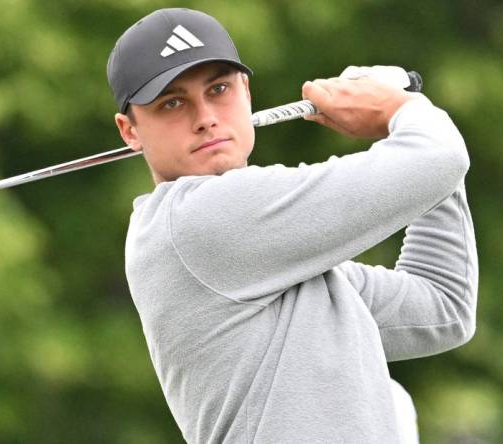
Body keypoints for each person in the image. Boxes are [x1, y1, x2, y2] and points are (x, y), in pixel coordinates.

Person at [107, 8, 477, 443]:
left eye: (219, 88)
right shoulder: (195, 221)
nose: (205, 116)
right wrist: (406, 109)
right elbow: (438, 159)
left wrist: (404, 124)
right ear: (130, 131)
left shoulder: (278, 264)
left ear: (247, 92)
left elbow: (443, 305)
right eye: (173, 102)